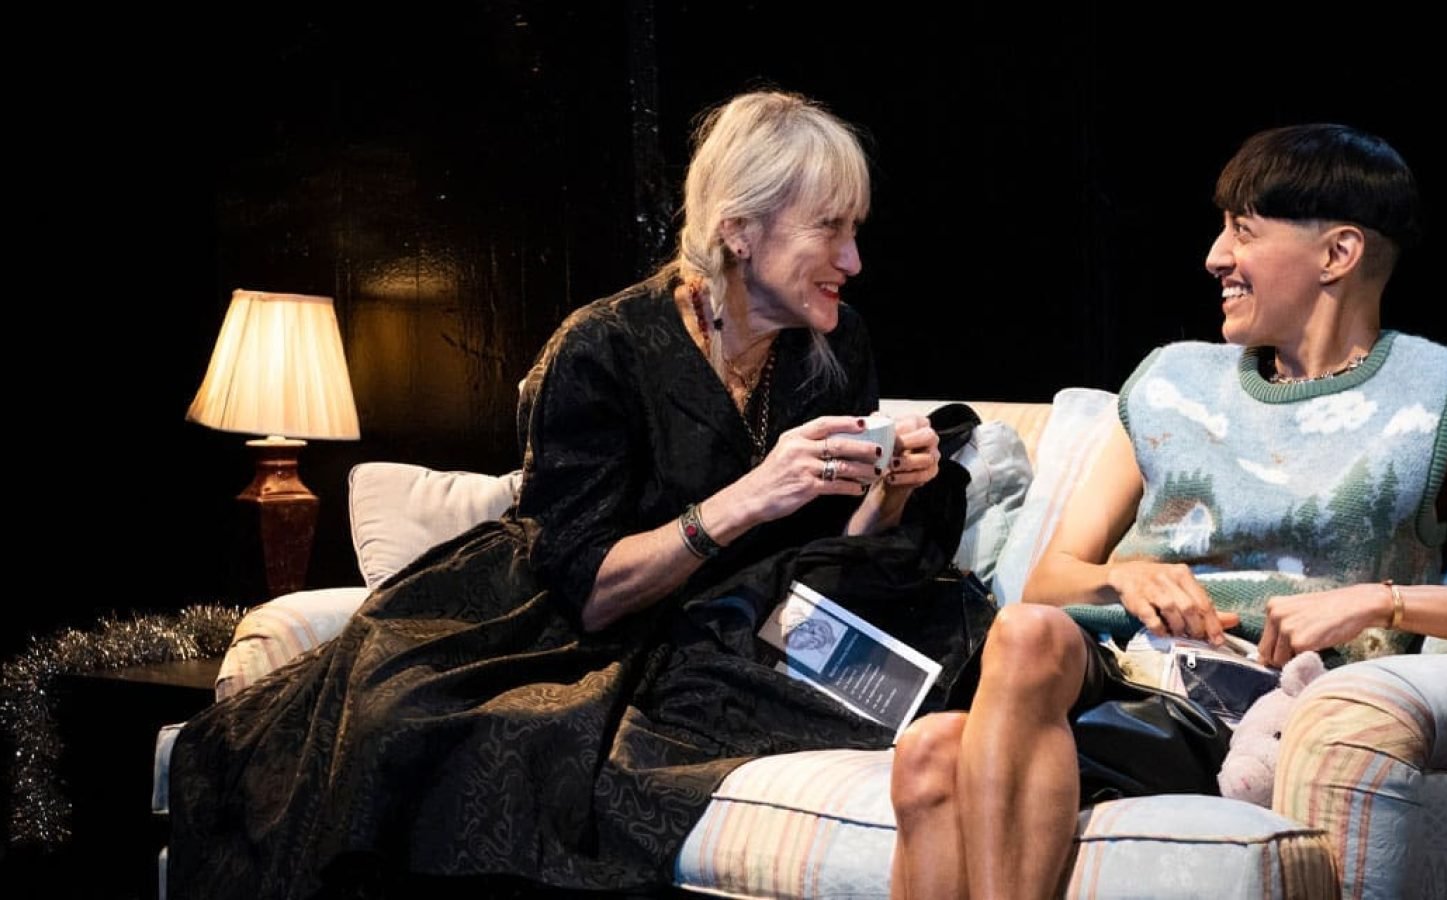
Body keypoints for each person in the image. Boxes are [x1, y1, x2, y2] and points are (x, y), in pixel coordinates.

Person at [169, 90, 953, 898]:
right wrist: (751, 496)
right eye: (831, 229)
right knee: (431, 733)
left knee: (933, 661)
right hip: (557, 617)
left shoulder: (834, 341)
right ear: (739, 231)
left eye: (855, 229)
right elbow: (592, 592)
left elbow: (836, 555)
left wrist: (890, 488)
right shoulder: (604, 347)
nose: (853, 261)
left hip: (733, 620)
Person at [888, 123, 1447, 900]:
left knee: (936, 755)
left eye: (1243, 231)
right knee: (1022, 635)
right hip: (1127, 671)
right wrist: (1130, 578)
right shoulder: (1171, 380)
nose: (1215, 257)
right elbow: (1050, 581)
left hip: (1264, 703)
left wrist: (1379, 600)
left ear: (1338, 254)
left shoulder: (1440, 394)